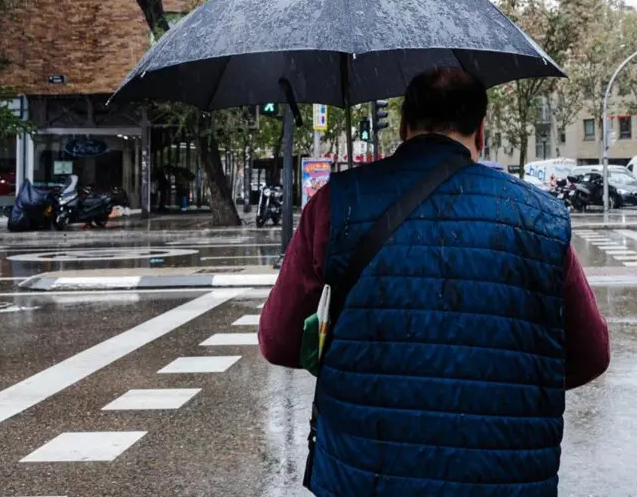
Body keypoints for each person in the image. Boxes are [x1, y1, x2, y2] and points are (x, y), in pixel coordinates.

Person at [259, 67, 610, 496]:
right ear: (481, 131)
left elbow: (278, 340)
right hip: (502, 477)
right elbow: (590, 355)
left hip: (364, 474)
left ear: (405, 126)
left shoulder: (335, 204)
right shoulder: (539, 216)